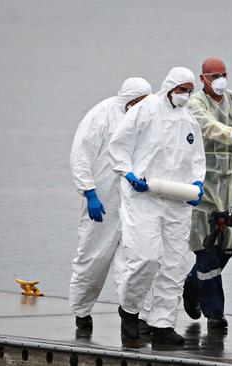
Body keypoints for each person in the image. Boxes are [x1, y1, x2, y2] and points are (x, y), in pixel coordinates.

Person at [108, 67, 206, 346]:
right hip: (143, 197)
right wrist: (127, 173)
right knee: (146, 258)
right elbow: (119, 144)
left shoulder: (189, 121)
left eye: (190, 90)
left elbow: (197, 159)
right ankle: (129, 309)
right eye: (182, 89)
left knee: (174, 265)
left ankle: (162, 323)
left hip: (177, 200)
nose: (186, 95)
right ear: (170, 87)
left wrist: (198, 184)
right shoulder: (145, 109)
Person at [183, 57, 232, 329]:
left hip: (230, 177)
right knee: (205, 245)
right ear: (203, 78)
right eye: (214, 75)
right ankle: (214, 312)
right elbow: (208, 127)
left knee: (229, 243)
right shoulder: (195, 104)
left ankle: (193, 283)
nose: (220, 79)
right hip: (202, 176)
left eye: (224, 74)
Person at [68, 77, 151, 333]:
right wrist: (89, 192)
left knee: (136, 259)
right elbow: (80, 153)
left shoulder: (146, 117)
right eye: (139, 102)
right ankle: (82, 310)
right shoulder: (101, 114)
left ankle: (134, 312)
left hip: (135, 198)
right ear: (129, 100)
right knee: (93, 256)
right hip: (103, 198)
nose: (143, 106)